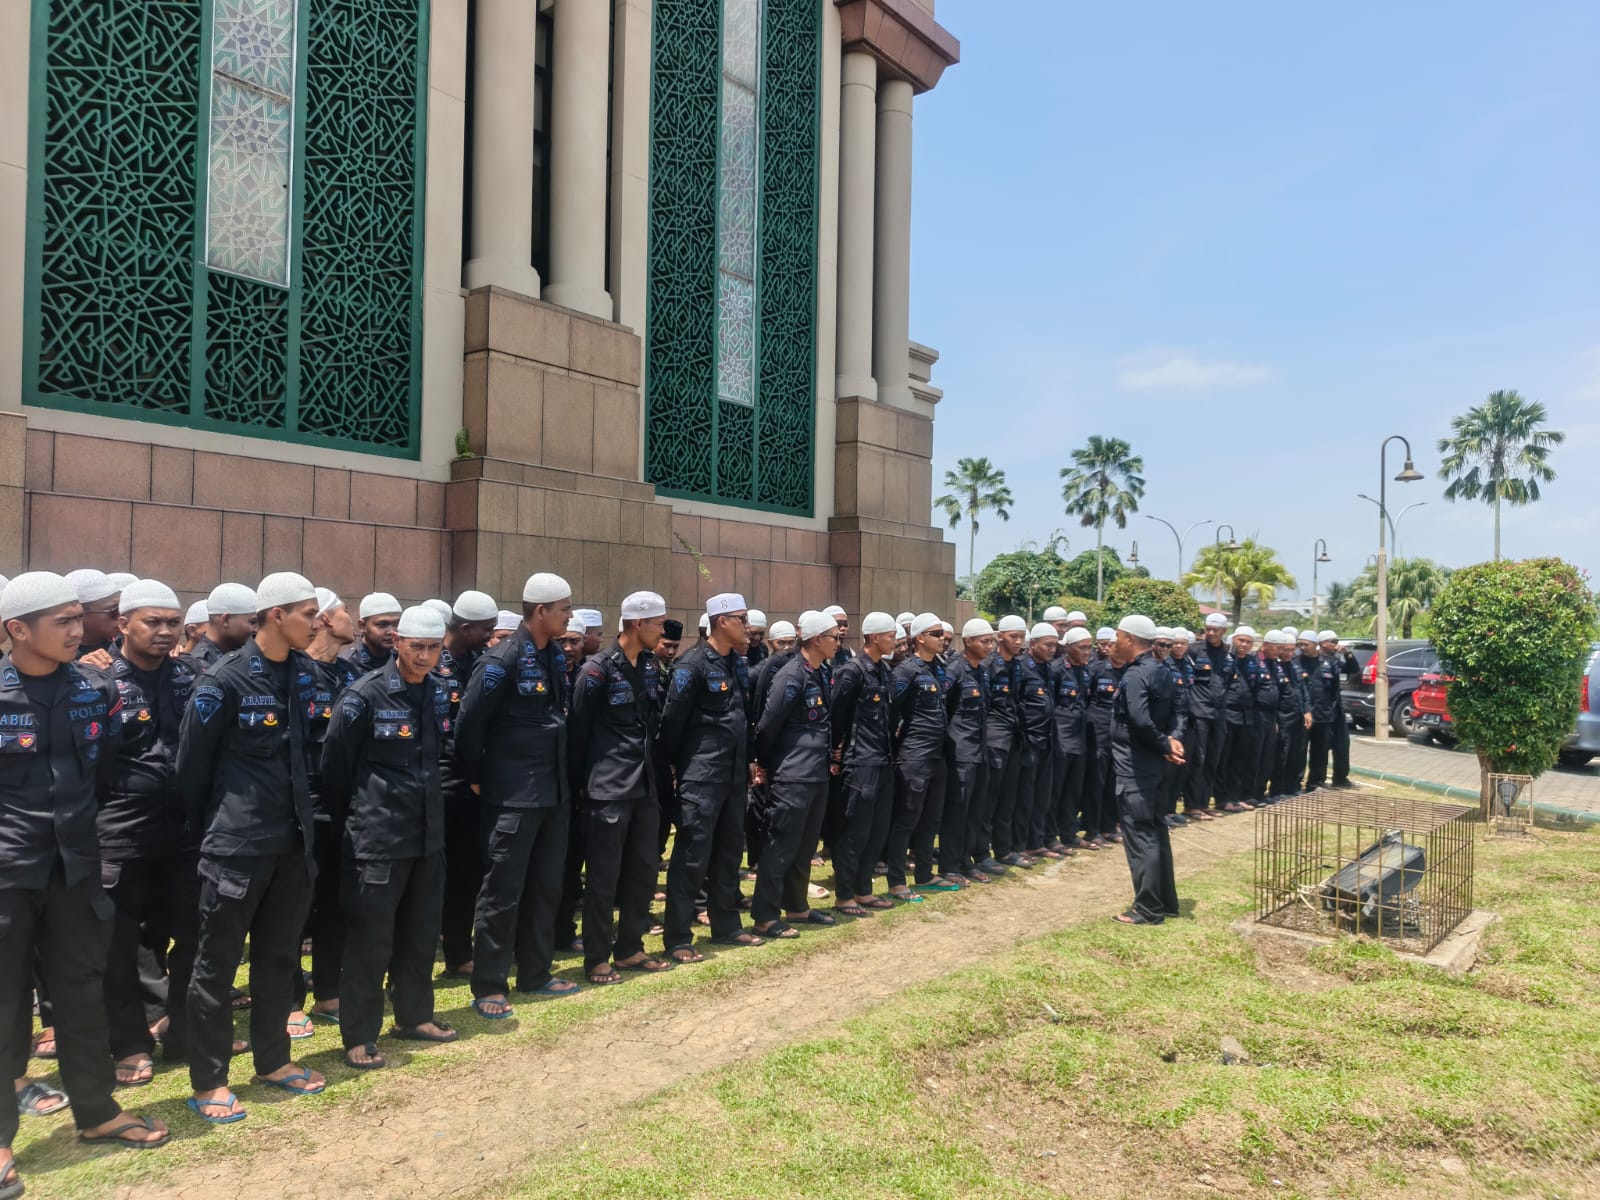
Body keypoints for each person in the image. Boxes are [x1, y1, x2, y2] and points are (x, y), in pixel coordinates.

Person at [0, 573, 171, 1189]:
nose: (79, 630)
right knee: (5, 1003)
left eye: (79, 618)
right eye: (63, 621)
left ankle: (96, 1113)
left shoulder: (95, 688)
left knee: (80, 993)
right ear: (18, 630)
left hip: (76, 867)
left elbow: (101, 771)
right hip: (7, 872)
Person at [177, 572, 326, 1123]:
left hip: (293, 841)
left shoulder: (309, 674)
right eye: (308, 613)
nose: (317, 623)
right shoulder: (224, 681)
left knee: (279, 958)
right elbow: (191, 767)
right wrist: (219, 827)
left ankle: (274, 1060)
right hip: (237, 845)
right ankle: (210, 1080)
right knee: (216, 967)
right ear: (275, 615)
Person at [320, 606, 456, 1069]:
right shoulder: (363, 695)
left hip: (427, 835)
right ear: (397, 642)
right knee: (370, 940)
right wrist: (360, 818)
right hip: (378, 838)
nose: (425, 656)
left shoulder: (437, 691)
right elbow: (335, 767)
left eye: (434, 648)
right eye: (416, 647)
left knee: (421, 933)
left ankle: (414, 1017)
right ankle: (359, 1034)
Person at [454, 573, 580, 1017]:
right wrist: (475, 777)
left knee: (546, 887)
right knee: (501, 893)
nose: (570, 616)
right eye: (564, 609)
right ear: (540, 611)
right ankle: (490, 984)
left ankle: (535, 972)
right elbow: (469, 724)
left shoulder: (553, 656)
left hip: (552, 791)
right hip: (512, 794)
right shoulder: (501, 659)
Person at [96, 580, 198, 1085]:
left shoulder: (191, 677)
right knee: (118, 946)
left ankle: (182, 1027)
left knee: (195, 933)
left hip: (184, 832)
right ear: (123, 624)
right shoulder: (97, 682)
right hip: (121, 832)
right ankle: (130, 1043)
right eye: (151, 622)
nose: (164, 631)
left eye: (172, 622)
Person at [567, 592, 672, 983]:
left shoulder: (650, 665)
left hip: (643, 786)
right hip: (606, 789)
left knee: (643, 871)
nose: (663, 631)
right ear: (636, 624)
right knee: (603, 878)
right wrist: (581, 787)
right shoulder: (596, 670)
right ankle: (597, 957)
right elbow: (577, 734)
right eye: (658, 624)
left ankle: (630, 948)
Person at [657, 593, 763, 959]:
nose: (747, 626)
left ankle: (726, 925)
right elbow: (672, 721)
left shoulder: (736, 663)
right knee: (692, 856)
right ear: (721, 621)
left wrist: (749, 759)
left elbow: (744, 717)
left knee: (729, 852)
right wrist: (675, 767)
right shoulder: (692, 664)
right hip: (702, 775)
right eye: (741, 619)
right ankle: (677, 937)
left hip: (733, 775)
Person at [291, 588, 361, 1033]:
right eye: (345, 611)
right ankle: (288, 1002)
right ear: (324, 619)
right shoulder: (295, 671)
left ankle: (329, 992)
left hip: (342, 806)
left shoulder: (351, 673)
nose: (351, 617)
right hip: (300, 807)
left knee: (336, 904)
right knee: (293, 909)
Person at [751, 611, 839, 937]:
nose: (838, 642)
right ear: (816, 640)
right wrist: (765, 764)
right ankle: (765, 915)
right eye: (834, 637)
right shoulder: (792, 675)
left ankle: (797, 906)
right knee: (781, 845)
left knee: (804, 846)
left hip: (815, 772)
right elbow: (768, 725)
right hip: (792, 774)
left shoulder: (818, 672)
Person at [437, 590, 499, 980]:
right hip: (438, 782)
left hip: (471, 783)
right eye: (484, 630)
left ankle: (459, 953)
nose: (490, 637)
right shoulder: (431, 662)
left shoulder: (478, 663)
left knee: (466, 872)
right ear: (463, 628)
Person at [1110, 615, 1185, 926]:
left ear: (1129, 639)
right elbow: (1179, 711)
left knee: (1142, 836)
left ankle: (1148, 908)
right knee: (1156, 832)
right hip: (1155, 765)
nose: (1114, 642)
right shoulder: (1162, 670)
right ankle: (1166, 903)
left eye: (1118, 637)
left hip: (1136, 768)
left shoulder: (1137, 675)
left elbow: (1140, 720)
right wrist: (1172, 740)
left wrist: (1166, 744)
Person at [828, 612, 897, 915]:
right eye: (890, 636)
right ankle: (845, 896)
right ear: (873, 637)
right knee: (855, 832)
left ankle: (863, 890)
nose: (894, 641)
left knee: (877, 831)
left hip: (882, 759)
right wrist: (835, 753)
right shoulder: (852, 671)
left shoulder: (884, 670)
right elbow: (836, 715)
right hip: (860, 762)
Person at [886, 613, 949, 900]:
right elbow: (891, 711)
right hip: (915, 753)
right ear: (920, 638)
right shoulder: (906, 671)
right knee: (907, 818)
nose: (942, 639)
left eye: (943, 634)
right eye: (936, 634)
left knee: (932, 817)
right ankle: (897, 880)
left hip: (937, 753)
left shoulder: (940, 668)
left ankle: (925, 874)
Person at [942, 619, 993, 883]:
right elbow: (944, 709)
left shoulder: (983, 671)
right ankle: (949, 865)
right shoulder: (954, 671)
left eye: (991, 641)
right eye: (984, 641)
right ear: (968, 641)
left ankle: (966, 860)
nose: (989, 646)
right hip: (960, 751)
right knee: (957, 811)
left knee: (975, 810)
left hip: (979, 749)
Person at [974, 615, 1027, 873]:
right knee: (988, 800)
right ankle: (981, 853)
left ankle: (1004, 849)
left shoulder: (1017, 665)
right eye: (1013, 636)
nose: (1018, 642)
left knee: (1007, 798)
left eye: (1021, 637)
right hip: (994, 738)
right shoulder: (988, 665)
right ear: (1000, 637)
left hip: (1013, 736)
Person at [1049, 627, 1094, 852]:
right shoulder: (1056, 669)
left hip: (1079, 738)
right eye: (1082, 647)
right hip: (1061, 738)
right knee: (1055, 790)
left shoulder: (1086, 671)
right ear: (1068, 648)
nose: (1087, 652)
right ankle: (1049, 835)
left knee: (1073, 790)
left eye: (1089, 647)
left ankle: (1068, 833)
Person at [1018, 624, 1059, 859]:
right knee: (1025, 796)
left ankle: (1037, 841)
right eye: (1048, 645)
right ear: (1033, 644)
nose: (1052, 649)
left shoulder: (1048, 669)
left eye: (1055, 645)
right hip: (1029, 740)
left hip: (1047, 739)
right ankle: (1021, 843)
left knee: (1042, 795)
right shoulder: (1022, 668)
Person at [1183, 613, 1230, 819]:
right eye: (1208, 629)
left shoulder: (1228, 653)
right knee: (1198, 759)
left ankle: (1204, 803)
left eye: (1215, 630)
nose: (1210, 633)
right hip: (1199, 712)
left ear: (1224, 631)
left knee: (1213, 758)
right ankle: (1192, 805)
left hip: (1219, 713)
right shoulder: (1194, 651)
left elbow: (1228, 681)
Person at [1081, 627, 1122, 848]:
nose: (1111, 648)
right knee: (1096, 783)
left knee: (1113, 782)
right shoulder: (1095, 669)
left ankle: (1109, 826)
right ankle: (1092, 829)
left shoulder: (1129, 671)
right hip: (1098, 732)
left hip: (1118, 733)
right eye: (1110, 645)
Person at [1307, 631, 1361, 789]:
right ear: (1323, 643)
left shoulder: (1335, 660)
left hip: (1336, 709)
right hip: (1321, 710)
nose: (1336, 644)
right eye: (1333, 641)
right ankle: (1316, 780)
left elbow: (1353, 669)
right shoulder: (1316, 660)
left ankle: (1340, 778)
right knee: (1321, 747)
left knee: (1342, 744)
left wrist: (1347, 653)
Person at [1216, 626, 1262, 812]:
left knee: (1239, 760)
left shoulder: (1252, 661)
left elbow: (1255, 687)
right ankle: (1222, 799)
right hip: (1228, 716)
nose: (1244, 645)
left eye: (1248, 642)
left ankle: (1235, 797)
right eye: (1241, 640)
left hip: (1246, 718)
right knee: (1224, 760)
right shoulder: (1224, 659)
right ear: (1233, 639)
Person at [1158, 628, 1193, 827]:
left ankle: (1170, 810)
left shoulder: (1187, 663)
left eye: (1181, 643)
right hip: (1167, 725)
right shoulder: (1164, 664)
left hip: (1183, 722)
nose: (1177, 647)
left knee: (1179, 770)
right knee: (1166, 772)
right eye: (1173, 644)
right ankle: (1162, 811)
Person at [186, 582, 259, 670]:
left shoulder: (248, 655)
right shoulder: (194, 665)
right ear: (226, 620)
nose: (256, 629)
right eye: (252, 622)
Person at [65, 568, 122, 659]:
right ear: (80, 614)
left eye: (121, 607)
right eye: (113, 610)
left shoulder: (126, 644)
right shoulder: (58, 655)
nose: (120, 617)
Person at [341, 593, 401, 675]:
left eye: (396, 624)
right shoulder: (346, 664)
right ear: (362, 626)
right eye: (382, 625)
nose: (392, 631)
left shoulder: (402, 658)